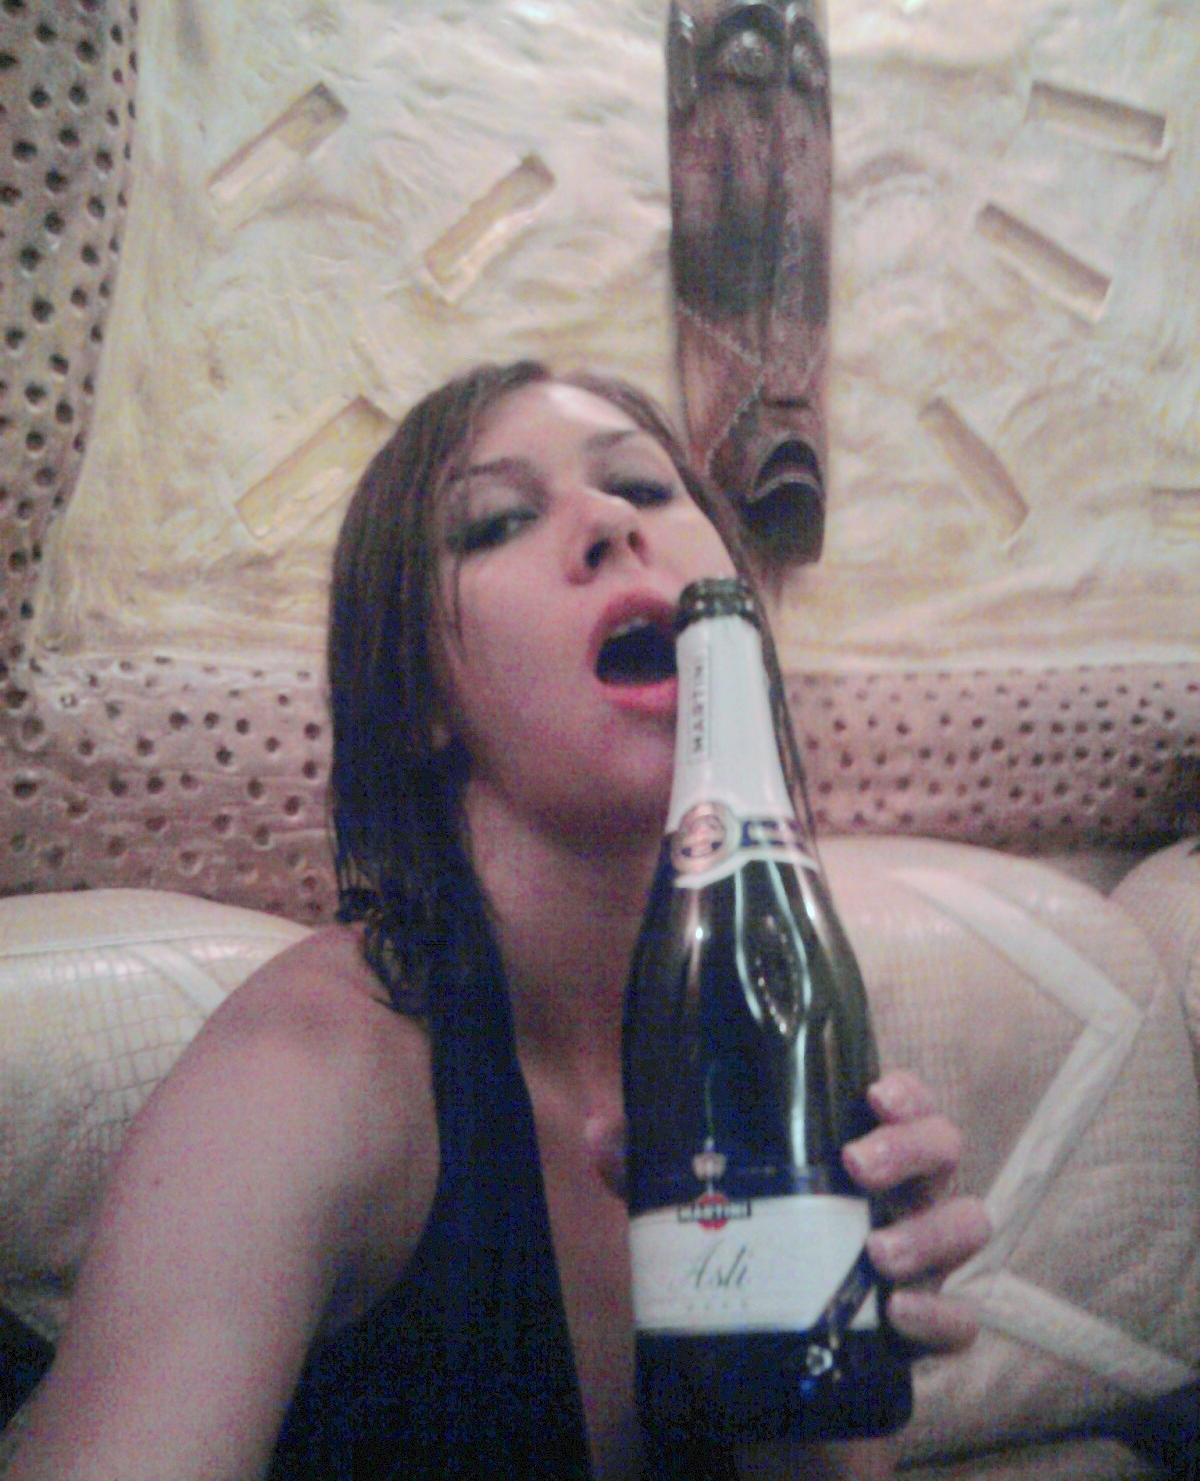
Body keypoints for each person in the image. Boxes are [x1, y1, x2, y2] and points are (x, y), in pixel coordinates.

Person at [8, 362, 990, 1481]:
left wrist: (823, 1390)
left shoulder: (784, 1008)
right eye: (497, 522)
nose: (609, 520)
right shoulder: (306, 1074)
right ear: (419, 692)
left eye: (646, 488)